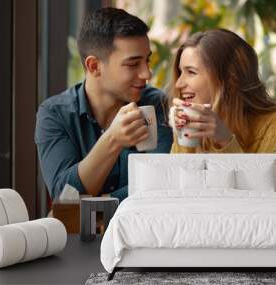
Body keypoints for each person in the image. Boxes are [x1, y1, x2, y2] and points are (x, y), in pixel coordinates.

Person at [35, 8, 173, 202]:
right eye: (133, 64)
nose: (147, 74)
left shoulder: (156, 105)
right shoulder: (55, 114)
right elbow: (64, 197)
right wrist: (113, 139)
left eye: (147, 60)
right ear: (94, 66)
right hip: (82, 234)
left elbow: (160, 184)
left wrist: (93, 207)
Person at [169, 28, 276, 158]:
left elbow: (257, 179)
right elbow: (176, 176)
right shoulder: (186, 119)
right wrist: (187, 140)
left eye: (191, 72)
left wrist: (224, 139)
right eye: (180, 72)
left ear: (229, 78)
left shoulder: (274, 124)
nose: (178, 84)